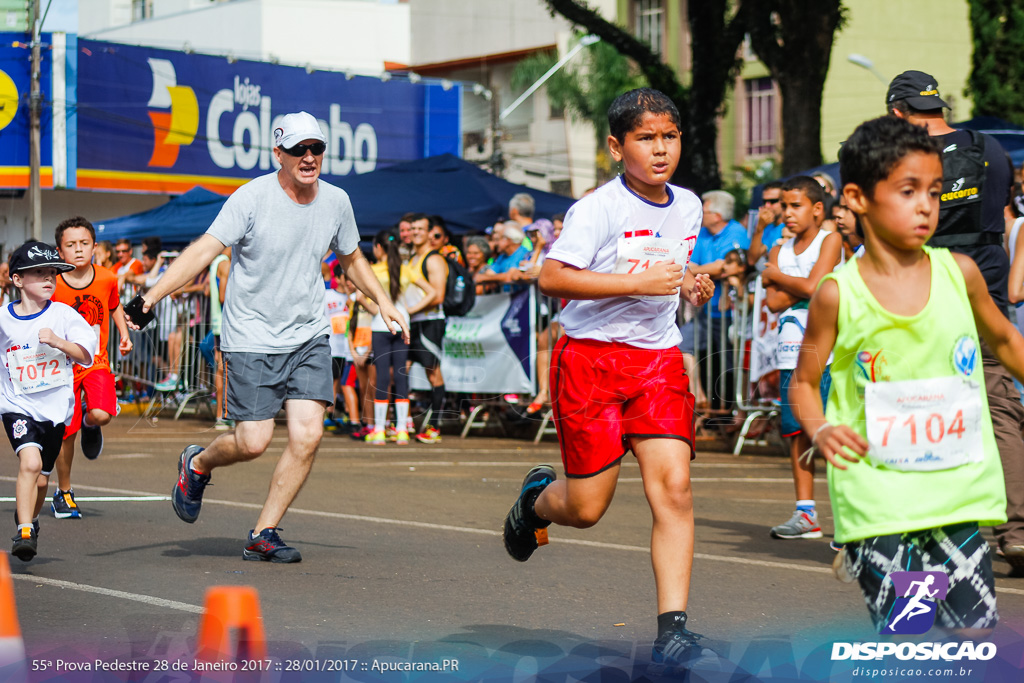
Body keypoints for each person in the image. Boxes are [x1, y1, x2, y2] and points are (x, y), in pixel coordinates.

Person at [126, 111, 407, 563]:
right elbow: (204, 250)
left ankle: (264, 531)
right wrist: (151, 297)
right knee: (252, 442)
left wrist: (384, 300)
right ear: (278, 153)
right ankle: (197, 464)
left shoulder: (336, 201)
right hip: (252, 334)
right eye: (299, 150)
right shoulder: (251, 198)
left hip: (308, 333)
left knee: (308, 434)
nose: (309, 157)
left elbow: (352, 257)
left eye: (316, 148)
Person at [502, 88, 715, 668]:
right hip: (589, 360)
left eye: (669, 136)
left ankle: (672, 628)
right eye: (646, 138)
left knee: (673, 486)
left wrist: (690, 278)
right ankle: (535, 504)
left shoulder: (690, 206)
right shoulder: (597, 209)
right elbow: (551, 277)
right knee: (589, 507)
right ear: (618, 148)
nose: (660, 148)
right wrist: (636, 285)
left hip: (657, 360)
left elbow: (666, 261)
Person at [790, 115, 1024, 634]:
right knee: (911, 640)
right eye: (908, 190)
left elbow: (1006, 341)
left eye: (935, 192)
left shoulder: (958, 274)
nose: (925, 205)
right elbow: (804, 381)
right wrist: (821, 428)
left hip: (956, 493)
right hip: (884, 502)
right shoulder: (837, 294)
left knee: (973, 634)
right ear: (857, 197)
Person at [887, 70, 1024, 575]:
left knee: (920, 405)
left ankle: (932, 535)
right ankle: (1018, 531)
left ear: (899, 111)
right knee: (998, 405)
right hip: (986, 282)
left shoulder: (904, 158)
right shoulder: (991, 148)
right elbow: (1003, 217)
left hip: (927, 285)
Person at [1, 241, 95, 561]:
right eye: (39, 273)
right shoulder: (3, 319)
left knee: (42, 480)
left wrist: (58, 342)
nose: (48, 279)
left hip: (55, 411)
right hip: (17, 406)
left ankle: (32, 518)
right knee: (30, 463)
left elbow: (86, 354)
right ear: (17, 280)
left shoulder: (63, 315)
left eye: (52, 273)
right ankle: (24, 531)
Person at [760, 177, 842, 541]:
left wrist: (777, 276)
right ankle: (806, 512)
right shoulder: (780, 248)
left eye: (796, 206)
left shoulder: (831, 240)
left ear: (817, 208)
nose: (787, 213)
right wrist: (799, 283)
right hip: (791, 351)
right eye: (784, 206)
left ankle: (849, 517)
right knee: (797, 432)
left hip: (829, 352)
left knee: (836, 427)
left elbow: (816, 286)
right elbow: (775, 303)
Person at [52, 217, 132, 519]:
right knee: (65, 434)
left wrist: (124, 334)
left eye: (84, 243)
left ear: (95, 247)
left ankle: (90, 423)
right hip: (61, 367)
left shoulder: (108, 278)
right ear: (60, 251)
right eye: (71, 245)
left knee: (101, 414)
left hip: (95, 361)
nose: (78, 250)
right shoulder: (54, 283)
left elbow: (113, 306)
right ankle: (64, 491)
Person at [354, 230, 436, 445]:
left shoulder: (373, 270)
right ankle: (401, 430)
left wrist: (376, 309)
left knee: (382, 377)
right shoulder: (406, 269)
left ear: (378, 248)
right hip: (403, 324)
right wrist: (410, 309)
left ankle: (380, 430)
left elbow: (359, 297)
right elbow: (432, 292)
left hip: (381, 326)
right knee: (401, 376)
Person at [688, 190, 750, 410]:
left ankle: (732, 415)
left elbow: (726, 267)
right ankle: (700, 399)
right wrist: (711, 270)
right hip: (705, 312)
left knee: (730, 366)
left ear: (717, 215)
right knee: (683, 347)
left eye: (704, 209)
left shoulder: (736, 231)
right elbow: (693, 267)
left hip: (731, 315)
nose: (701, 214)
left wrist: (702, 271)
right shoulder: (702, 233)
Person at [406, 213, 448, 443]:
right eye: (413, 229)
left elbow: (438, 295)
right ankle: (405, 421)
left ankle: (435, 426)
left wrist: (411, 310)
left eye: (420, 229)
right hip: (412, 322)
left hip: (429, 322)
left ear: (430, 233)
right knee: (399, 369)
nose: (416, 233)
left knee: (433, 373)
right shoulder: (411, 259)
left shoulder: (433, 259)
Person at [208, 246, 232, 429]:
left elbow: (209, 292)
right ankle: (223, 414)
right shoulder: (225, 264)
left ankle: (222, 414)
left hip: (218, 323)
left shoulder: (215, 262)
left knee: (221, 368)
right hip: (226, 323)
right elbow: (224, 297)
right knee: (225, 369)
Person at [747, 181, 786, 267]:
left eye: (773, 201)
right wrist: (759, 228)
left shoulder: (791, 226)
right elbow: (752, 260)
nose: (767, 206)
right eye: (764, 201)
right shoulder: (768, 228)